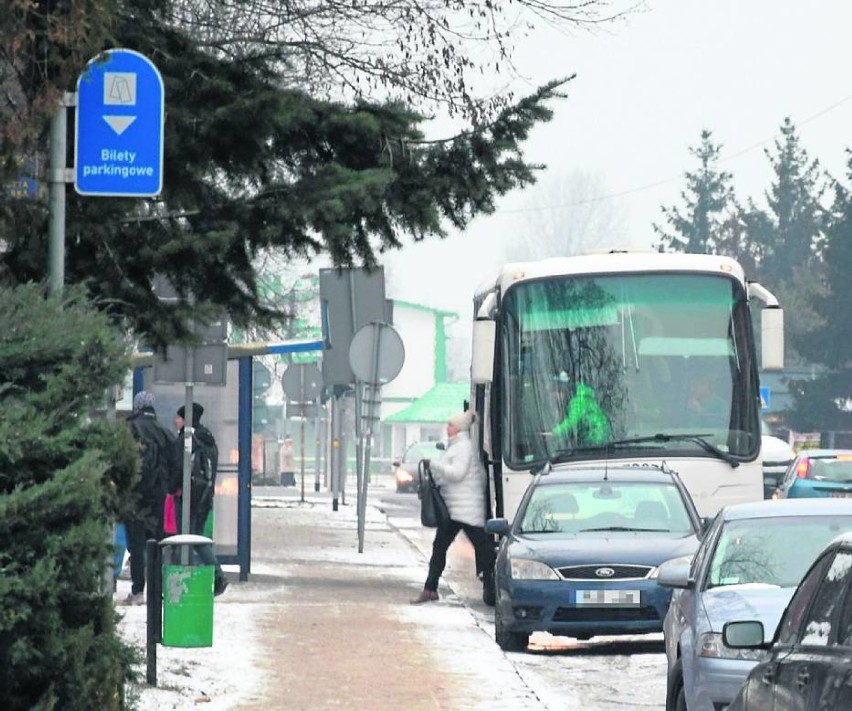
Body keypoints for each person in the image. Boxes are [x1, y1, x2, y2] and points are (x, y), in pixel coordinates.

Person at [411, 410, 496, 605]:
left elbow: (456, 474)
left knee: (483, 550)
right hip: (456, 509)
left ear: (458, 428)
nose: (447, 428)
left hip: (465, 511)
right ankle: (430, 588)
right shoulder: (457, 447)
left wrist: (434, 465)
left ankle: (494, 586)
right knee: (445, 547)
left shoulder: (462, 448)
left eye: (450, 425)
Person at [123, 390, 177, 605]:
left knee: (136, 545)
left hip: (134, 495)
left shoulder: (130, 429)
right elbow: (177, 465)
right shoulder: (164, 433)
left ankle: (138, 591)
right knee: (155, 543)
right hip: (158, 497)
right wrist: (166, 488)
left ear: (137, 406)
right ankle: (155, 591)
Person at [173, 402, 228, 596]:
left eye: (178, 417)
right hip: (205, 496)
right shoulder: (208, 439)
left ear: (186, 420)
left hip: (188, 497)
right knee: (197, 539)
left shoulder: (187, 440)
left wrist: (171, 489)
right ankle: (217, 575)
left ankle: (185, 581)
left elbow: (178, 469)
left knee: (182, 539)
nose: (175, 421)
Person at [551, 378, 612, 446]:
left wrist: (554, 433)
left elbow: (572, 421)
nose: (555, 397)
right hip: (598, 436)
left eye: (557, 392)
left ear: (565, 391)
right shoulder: (580, 398)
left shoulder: (578, 401)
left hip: (596, 438)